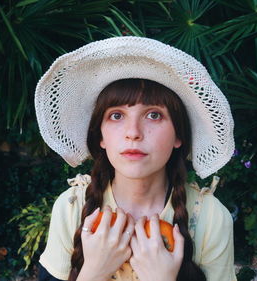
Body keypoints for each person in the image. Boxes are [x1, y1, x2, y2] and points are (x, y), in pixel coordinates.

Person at [34, 37, 236, 281]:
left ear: (178, 135)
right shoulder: (72, 207)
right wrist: (94, 272)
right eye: (117, 116)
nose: (133, 132)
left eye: (153, 115)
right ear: (101, 136)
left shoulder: (210, 217)